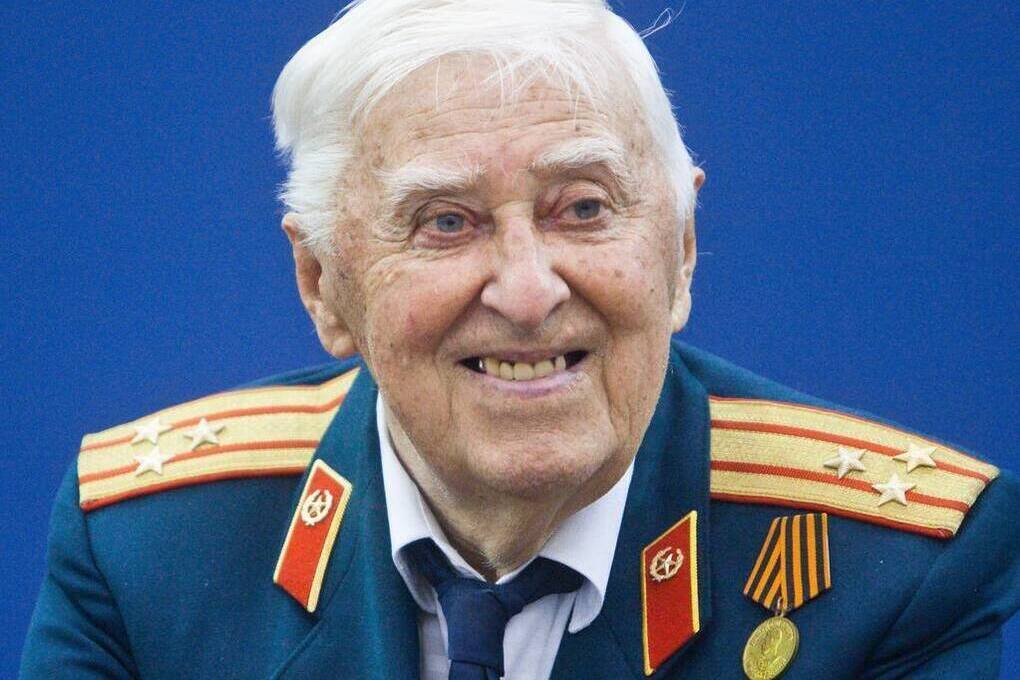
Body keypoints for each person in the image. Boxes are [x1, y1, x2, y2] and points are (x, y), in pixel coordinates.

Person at [20, 1, 1019, 678]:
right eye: (445, 222)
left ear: (680, 249)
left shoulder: (893, 567)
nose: (531, 291)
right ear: (323, 284)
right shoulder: (149, 546)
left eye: (583, 207)